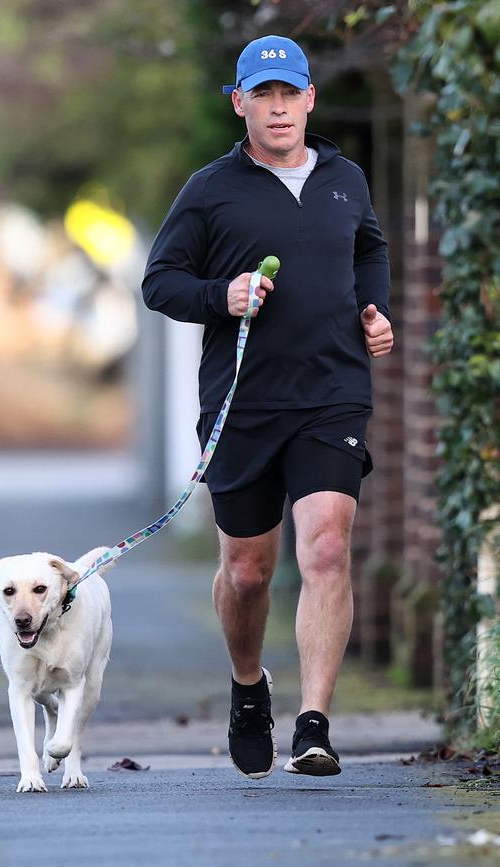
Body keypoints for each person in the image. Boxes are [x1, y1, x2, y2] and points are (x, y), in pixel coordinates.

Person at [142, 34, 394, 779]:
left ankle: (314, 724)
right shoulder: (212, 189)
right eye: (263, 96)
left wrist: (374, 308)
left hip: (332, 393)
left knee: (324, 546)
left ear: (310, 99)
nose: (278, 109)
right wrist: (224, 294)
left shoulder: (345, 177)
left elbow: (370, 249)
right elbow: (160, 282)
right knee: (248, 572)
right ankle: (249, 686)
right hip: (243, 402)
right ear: (240, 103)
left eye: (290, 95)